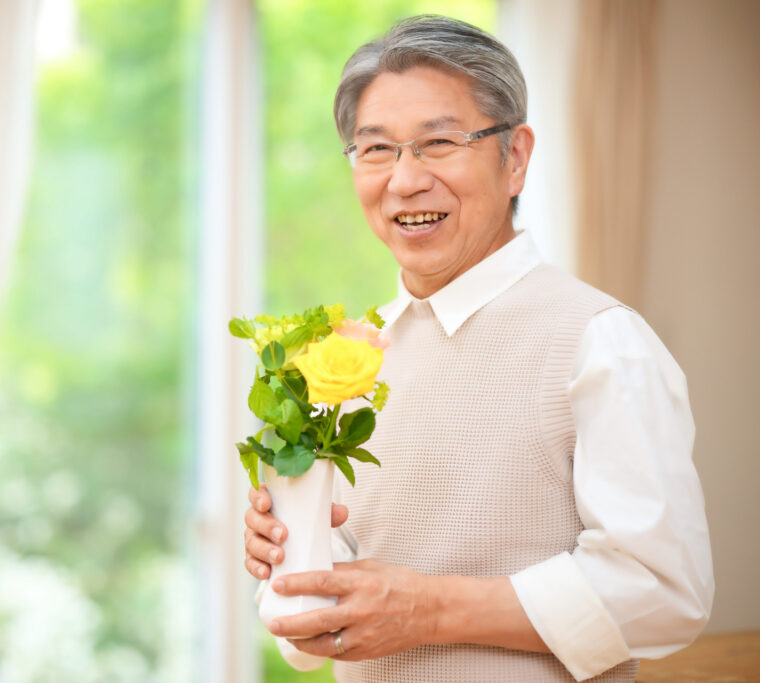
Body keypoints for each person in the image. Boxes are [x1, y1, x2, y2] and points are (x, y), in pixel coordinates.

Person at [242, 14, 713, 683]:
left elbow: (666, 593)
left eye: (438, 142)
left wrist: (430, 609)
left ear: (514, 157)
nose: (404, 181)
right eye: (376, 149)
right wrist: (288, 559)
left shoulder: (598, 340)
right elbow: (307, 639)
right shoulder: (345, 358)